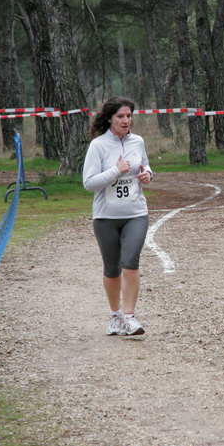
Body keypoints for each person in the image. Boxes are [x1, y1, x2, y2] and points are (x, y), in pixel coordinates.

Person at [83, 96, 154, 336]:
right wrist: (116, 171)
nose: (126, 121)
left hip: (136, 213)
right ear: (110, 119)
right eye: (120, 117)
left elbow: (145, 166)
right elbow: (89, 183)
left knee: (131, 263)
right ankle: (114, 316)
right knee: (111, 268)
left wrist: (148, 176)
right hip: (105, 217)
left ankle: (130, 317)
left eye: (129, 116)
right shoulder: (98, 145)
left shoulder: (138, 141)